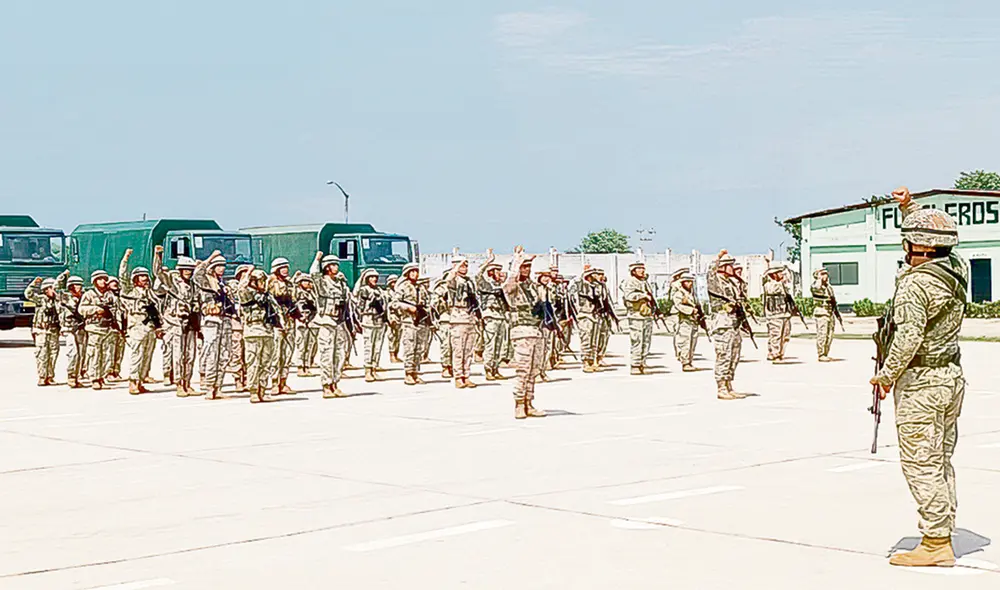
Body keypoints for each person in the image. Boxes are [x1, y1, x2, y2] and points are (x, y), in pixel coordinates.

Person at [872, 187, 969, 568]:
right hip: (950, 376)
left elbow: (909, 336)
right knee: (940, 458)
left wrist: (885, 375)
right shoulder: (954, 268)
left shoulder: (916, 283)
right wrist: (910, 208)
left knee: (921, 462)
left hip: (922, 382)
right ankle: (942, 528)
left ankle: (935, 542)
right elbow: (933, 235)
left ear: (918, 246)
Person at [502, 247, 547, 419]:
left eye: (528, 267)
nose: (526, 270)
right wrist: (516, 261)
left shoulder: (534, 287)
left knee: (534, 370)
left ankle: (529, 402)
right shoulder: (513, 287)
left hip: (536, 331)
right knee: (523, 370)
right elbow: (509, 284)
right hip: (521, 331)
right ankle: (519, 403)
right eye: (523, 267)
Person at [154, 247, 201, 397]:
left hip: (190, 322)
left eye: (190, 269)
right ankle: (179, 384)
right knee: (178, 355)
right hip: (175, 322)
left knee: (190, 355)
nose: (188, 272)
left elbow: (197, 301)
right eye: (185, 269)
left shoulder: (194, 286)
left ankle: (188, 383)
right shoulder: (172, 282)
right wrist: (158, 256)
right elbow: (158, 272)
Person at [308, 253, 352, 398]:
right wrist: (317, 259)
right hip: (326, 320)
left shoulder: (340, 283)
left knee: (339, 354)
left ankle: (335, 383)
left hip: (339, 321)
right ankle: (326, 385)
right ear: (327, 267)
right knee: (327, 353)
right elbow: (313, 274)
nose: (336, 268)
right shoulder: (322, 282)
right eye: (333, 265)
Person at [706, 250, 747, 400]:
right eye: (729, 265)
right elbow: (709, 272)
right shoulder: (715, 280)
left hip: (733, 322)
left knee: (734, 355)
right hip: (722, 322)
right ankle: (721, 387)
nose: (732, 267)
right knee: (724, 354)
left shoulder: (731, 282)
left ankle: (729, 385)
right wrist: (718, 258)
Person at [118, 249, 158, 394]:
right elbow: (122, 276)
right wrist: (126, 258)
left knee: (147, 355)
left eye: (145, 276)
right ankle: (133, 381)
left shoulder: (150, 293)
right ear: (135, 279)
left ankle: (141, 380)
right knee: (137, 354)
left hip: (150, 327)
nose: (144, 279)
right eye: (141, 276)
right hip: (136, 326)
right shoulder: (129, 291)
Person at [194, 251, 233, 399]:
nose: (221, 269)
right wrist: (210, 258)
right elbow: (197, 274)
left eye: (223, 266)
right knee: (212, 353)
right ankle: (210, 386)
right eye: (218, 266)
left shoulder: (223, 284)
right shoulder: (205, 282)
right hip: (211, 320)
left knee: (224, 354)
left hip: (225, 320)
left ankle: (219, 387)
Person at [235, 269, 276, 403]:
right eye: (260, 281)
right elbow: (241, 288)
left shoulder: (267, 296)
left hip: (267, 330)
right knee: (253, 362)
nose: (263, 283)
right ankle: (253, 390)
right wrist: (248, 273)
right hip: (253, 329)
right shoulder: (247, 294)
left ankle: (262, 389)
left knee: (266, 363)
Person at [392, 262, 431, 385]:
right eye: (412, 271)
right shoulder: (403, 287)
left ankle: (416, 372)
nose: (415, 274)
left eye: (416, 271)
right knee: (410, 347)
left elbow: (427, 303)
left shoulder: (421, 288)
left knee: (419, 348)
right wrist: (409, 307)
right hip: (409, 321)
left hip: (421, 320)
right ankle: (408, 373)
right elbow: (394, 303)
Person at [79, 270, 118, 391]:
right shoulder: (89, 294)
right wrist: (96, 309)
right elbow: (81, 309)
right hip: (95, 328)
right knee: (94, 354)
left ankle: (102, 376)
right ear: (95, 281)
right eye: (100, 279)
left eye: (104, 279)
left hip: (108, 328)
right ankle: (95, 378)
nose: (103, 281)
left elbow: (117, 308)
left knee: (107, 354)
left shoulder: (110, 295)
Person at [446, 255, 480, 389]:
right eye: (461, 266)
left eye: (466, 266)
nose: (464, 268)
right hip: (458, 317)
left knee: (468, 350)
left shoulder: (469, 281)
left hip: (470, 317)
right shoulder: (453, 280)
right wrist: (455, 268)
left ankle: (466, 375)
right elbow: (449, 280)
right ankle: (458, 377)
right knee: (458, 350)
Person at [267, 257, 297, 394]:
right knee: (276, 353)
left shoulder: (290, 284)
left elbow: (294, 300)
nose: (285, 270)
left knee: (288, 352)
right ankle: (274, 382)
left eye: (286, 267)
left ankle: (284, 381)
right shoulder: (270, 282)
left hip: (289, 320)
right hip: (277, 322)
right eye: (282, 267)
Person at [477, 251, 509, 380]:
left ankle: (495, 368)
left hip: (500, 315)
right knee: (490, 344)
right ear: (490, 272)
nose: (499, 273)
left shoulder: (500, 285)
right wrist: (488, 262)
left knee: (499, 344)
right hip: (490, 315)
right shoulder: (485, 284)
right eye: (496, 271)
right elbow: (478, 275)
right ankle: (488, 369)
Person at [24, 275, 61, 386]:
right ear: (45, 289)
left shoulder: (58, 300)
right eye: (51, 288)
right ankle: (42, 376)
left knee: (53, 354)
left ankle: (50, 376)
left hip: (53, 330)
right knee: (42, 353)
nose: (53, 290)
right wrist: (34, 284)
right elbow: (28, 294)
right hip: (41, 330)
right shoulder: (41, 299)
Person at [621, 261, 655, 375]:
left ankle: (642, 362)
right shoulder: (630, 282)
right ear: (633, 271)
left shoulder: (644, 282)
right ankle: (635, 364)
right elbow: (629, 296)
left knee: (646, 341)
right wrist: (642, 296)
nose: (642, 271)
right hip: (636, 315)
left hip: (646, 314)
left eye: (643, 268)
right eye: (639, 269)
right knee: (637, 340)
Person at [355, 268, 388, 382]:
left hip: (379, 320)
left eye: (375, 277)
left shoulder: (380, 290)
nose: (374, 279)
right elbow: (359, 306)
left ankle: (374, 367)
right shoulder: (364, 290)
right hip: (368, 319)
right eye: (371, 277)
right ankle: (368, 370)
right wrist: (370, 305)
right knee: (368, 346)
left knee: (377, 346)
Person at [58, 273, 87, 388]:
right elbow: (57, 287)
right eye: (76, 285)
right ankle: (71, 375)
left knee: (81, 354)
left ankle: (77, 376)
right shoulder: (65, 297)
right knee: (73, 353)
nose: (79, 287)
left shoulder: (83, 297)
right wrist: (63, 276)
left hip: (80, 328)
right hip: (69, 329)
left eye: (80, 285)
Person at [227, 264, 253, 391]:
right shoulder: (233, 287)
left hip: (249, 326)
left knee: (248, 354)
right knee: (236, 354)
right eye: (243, 274)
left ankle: (248, 378)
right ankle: (237, 380)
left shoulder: (252, 290)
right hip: (236, 326)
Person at [671, 272, 700, 372]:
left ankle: (690, 361)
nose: (689, 284)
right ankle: (685, 362)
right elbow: (679, 305)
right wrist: (691, 310)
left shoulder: (691, 294)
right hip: (684, 320)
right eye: (687, 281)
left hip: (693, 320)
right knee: (685, 341)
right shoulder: (679, 293)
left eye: (691, 281)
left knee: (693, 341)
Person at [575, 267, 602, 373]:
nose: (597, 276)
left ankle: (592, 360)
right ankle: (585, 361)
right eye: (594, 274)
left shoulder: (596, 286)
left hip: (595, 315)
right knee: (586, 339)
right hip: (584, 315)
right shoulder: (581, 286)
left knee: (594, 340)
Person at [763, 265, 792, 362]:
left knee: (785, 335)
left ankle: (778, 353)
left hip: (784, 314)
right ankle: (775, 354)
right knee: (775, 335)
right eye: (779, 273)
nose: (782, 275)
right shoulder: (770, 284)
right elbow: (772, 290)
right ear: (774, 275)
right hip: (774, 315)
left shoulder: (782, 285)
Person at [293, 272, 319, 377]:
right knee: (301, 345)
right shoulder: (298, 292)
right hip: (301, 321)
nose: (307, 283)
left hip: (311, 320)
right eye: (305, 281)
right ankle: (300, 366)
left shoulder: (312, 293)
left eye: (308, 281)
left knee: (310, 345)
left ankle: (307, 366)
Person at [430, 274, 453, 378]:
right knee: (446, 345)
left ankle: (454, 367)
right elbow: (433, 304)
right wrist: (443, 301)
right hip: (446, 318)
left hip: (459, 319)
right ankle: (446, 366)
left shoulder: (460, 286)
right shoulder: (441, 288)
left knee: (458, 347)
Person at [812, 269, 836, 362]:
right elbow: (817, 288)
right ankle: (821, 354)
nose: (825, 276)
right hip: (821, 312)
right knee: (822, 334)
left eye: (826, 274)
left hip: (829, 312)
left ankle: (826, 353)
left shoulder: (828, 287)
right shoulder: (815, 286)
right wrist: (819, 279)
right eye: (822, 274)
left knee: (829, 335)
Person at [105, 276, 125, 381]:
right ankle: (109, 372)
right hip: (111, 327)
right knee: (110, 351)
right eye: (112, 283)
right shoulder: (107, 296)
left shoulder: (121, 296)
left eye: (115, 282)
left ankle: (116, 371)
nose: (114, 284)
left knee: (119, 351)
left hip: (121, 328)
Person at [385, 274, 402, 364]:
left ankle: (396, 354)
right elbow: (386, 307)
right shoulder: (387, 294)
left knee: (398, 337)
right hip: (392, 315)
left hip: (399, 316)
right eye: (392, 282)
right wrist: (389, 318)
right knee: (392, 336)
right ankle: (392, 355)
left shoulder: (398, 292)